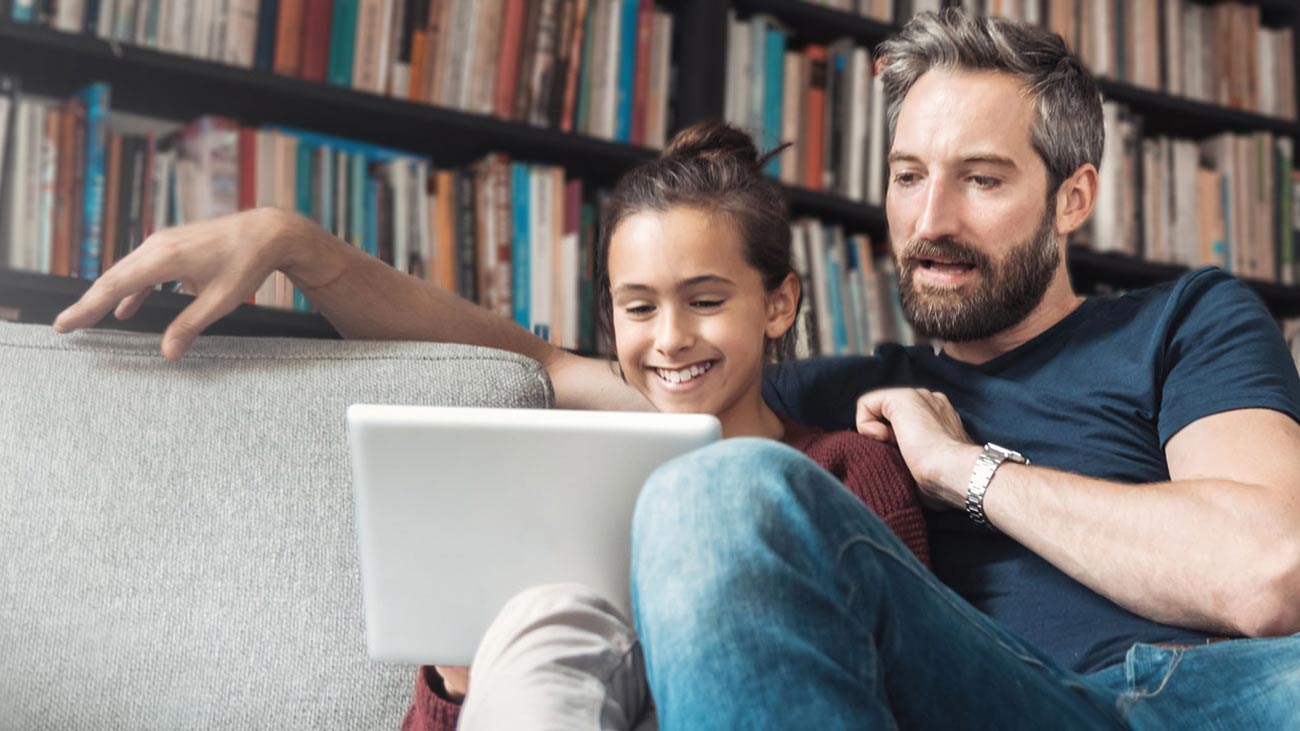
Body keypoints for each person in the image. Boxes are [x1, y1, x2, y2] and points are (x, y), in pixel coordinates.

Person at [51, 9, 1300, 729]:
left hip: (1204, 693)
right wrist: (296, 244)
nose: (929, 217)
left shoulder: (1186, 320)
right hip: (985, 699)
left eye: (981, 178)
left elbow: (1262, 572)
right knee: (712, 488)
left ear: (1072, 194)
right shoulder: (821, 404)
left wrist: (962, 467)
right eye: (908, 175)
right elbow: (534, 357)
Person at [404, 122, 931, 730]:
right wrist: (456, 683)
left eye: (705, 301)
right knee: (547, 624)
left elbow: (914, 679)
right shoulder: (556, 483)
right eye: (639, 308)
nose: (671, 339)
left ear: (778, 305)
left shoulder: (848, 470)